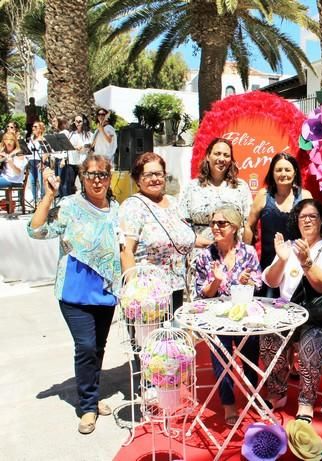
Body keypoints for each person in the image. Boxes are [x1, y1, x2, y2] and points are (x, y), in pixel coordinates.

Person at [27, 155, 121, 434]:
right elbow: (36, 231)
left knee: (99, 348)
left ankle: (92, 395)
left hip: (106, 291)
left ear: (109, 177)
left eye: (102, 174)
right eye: (91, 174)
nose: (97, 180)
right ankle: (88, 406)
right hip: (74, 292)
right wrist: (48, 197)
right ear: (82, 177)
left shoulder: (116, 209)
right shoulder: (68, 206)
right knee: (86, 347)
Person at [260, 199, 322, 423]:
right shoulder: (289, 247)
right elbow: (271, 282)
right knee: (269, 336)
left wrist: (307, 264)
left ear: (321, 220)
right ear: (297, 221)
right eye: (303, 217)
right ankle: (278, 391)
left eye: (313, 216)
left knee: (312, 342)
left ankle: (306, 401)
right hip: (291, 319)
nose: (308, 220)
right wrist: (282, 260)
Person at [195, 205, 262, 426]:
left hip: (244, 315)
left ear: (234, 227)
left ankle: (253, 394)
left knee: (250, 356)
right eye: (213, 223)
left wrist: (248, 281)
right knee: (221, 360)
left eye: (221, 223)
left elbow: (259, 283)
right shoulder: (206, 255)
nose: (215, 227)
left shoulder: (248, 252)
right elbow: (202, 295)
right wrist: (215, 280)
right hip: (218, 317)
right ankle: (228, 403)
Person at [120, 152, 196, 311]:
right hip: (149, 294)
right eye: (148, 175)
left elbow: (186, 237)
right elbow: (126, 251)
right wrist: (134, 291)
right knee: (151, 337)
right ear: (137, 179)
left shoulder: (174, 203)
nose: (154, 179)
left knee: (177, 335)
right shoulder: (132, 206)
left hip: (178, 289)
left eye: (158, 174)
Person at [245, 152, 312, 296]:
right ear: (272, 173)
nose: (283, 174)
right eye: (279, 170)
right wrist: (247, 255)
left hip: (297, 265)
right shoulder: (263, 195)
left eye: (287, 170)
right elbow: (249, 226)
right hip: (268, 265)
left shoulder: (305, 196)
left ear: (294, 173)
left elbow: (313, 229)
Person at [180, 137, 253, 248]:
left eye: (226, 155)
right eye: (217, 153)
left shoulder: (241, 187)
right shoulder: (192, 187)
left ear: (231, 160)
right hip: (200, 253)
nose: (221, 158)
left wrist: (245, 253)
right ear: (208, 157)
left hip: (233, 255)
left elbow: (248, 224)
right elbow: (182, 224)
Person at [63, 114, 93, 196]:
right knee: (70, 184)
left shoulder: (89, 134)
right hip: (72, 162)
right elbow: (67, 146)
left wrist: (83, 147)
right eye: (76, 121)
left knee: (84, 184)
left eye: (80, 121)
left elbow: (92, 145)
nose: (78, 123)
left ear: (84, 122)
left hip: (83, 162)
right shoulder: (72, 133)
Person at [1, 133, 28, 213]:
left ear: (15, 142)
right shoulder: (4, 152)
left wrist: (11, 163)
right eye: (6, 140)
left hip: (13, 180)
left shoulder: (19, 154)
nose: (8, 143)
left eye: (11, 140)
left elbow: (18, 172)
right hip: (4, 177)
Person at [27, 121, 48, 201]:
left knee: (41, 181)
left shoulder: (43, 139)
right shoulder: (32, 138)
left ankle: (43, 199)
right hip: (32, 161)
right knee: (32, 181)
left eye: (35, 127)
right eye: (33, 127)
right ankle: (35, 199)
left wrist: (42, 162)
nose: (33, 128)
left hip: (39, 161)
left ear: (40, 129)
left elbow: (47, 152)